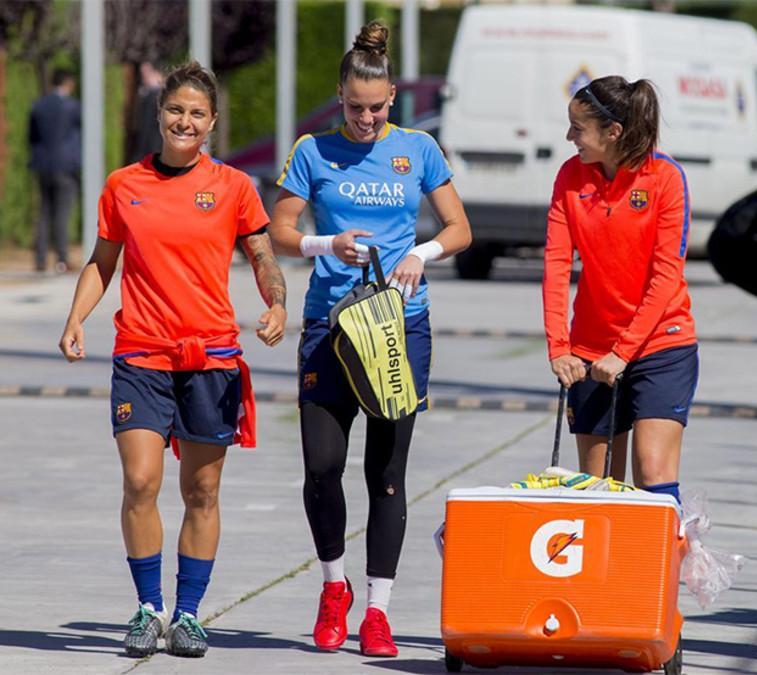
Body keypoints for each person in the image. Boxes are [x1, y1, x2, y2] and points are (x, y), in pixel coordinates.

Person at [57, 61, 286, 658]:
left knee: (202, 491)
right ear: (160, 114)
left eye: (197, 113)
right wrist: (77, 317)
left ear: (211, 123)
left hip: (210, 358)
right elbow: (102, 262)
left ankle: (187, 614)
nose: (185, 121)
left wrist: (277, 305)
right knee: (140, 482)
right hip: (142, 353)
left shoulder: (234, 187)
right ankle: (147, 609)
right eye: (176, 110)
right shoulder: (123, 185)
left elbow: (262, 257)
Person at [269, 21, 472, 658]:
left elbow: (460, 227)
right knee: (322, 467)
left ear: (393, 101)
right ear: (339, 97)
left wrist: (423, 251)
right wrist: (326, 244)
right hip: (332, 324)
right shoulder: (312, 151)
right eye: (354, 108)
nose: (365, 118)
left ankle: (378, 610)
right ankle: (335, 587)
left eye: (377, 108)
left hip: (399, 327)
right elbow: (277, 228)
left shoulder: (419, 148)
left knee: (386, 474)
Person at [543, 75, 698, 506]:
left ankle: (661, 573)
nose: (569, 136)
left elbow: (666, 275)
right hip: (591, 348)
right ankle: (604, 577)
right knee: (597, 490)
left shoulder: (665, 178)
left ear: (613, 132)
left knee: (652, 473)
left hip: (661, 344)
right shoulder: (570, 176)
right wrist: (560, 346)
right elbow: (556, 264)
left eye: (578, 128)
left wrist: (624, 351)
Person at [28, 67, 82, 274]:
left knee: (44, 211)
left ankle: (40, 259)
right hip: (65, 165)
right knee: (62, 212)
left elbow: (32, 137)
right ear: (68, 83)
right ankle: (61, 258)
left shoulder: (38, 105)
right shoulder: (73, 107)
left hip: (43, 165)